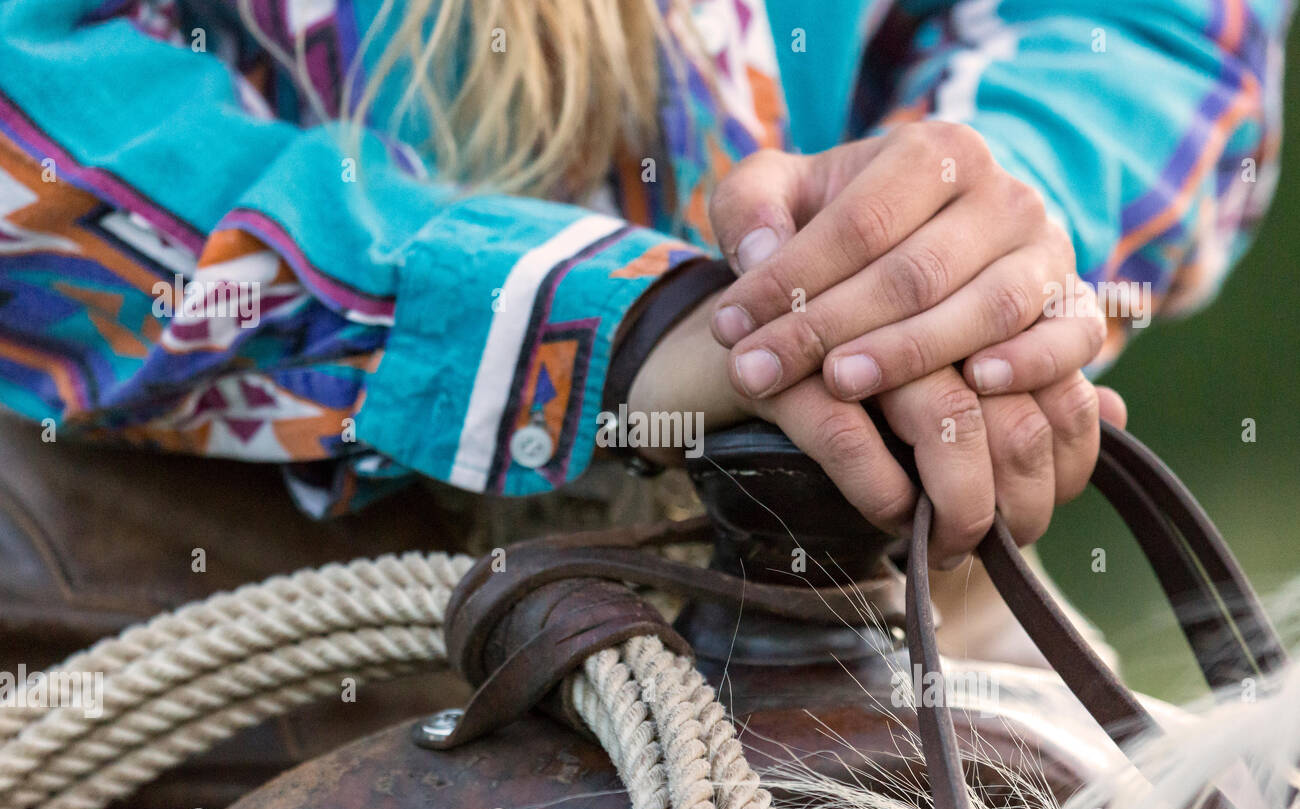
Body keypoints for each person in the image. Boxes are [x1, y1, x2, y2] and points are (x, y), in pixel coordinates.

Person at [0, 0, 1287, 661]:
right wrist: (610, 320)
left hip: (854, 543)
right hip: (166, 549)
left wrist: (955, 239)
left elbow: (1140, 23)